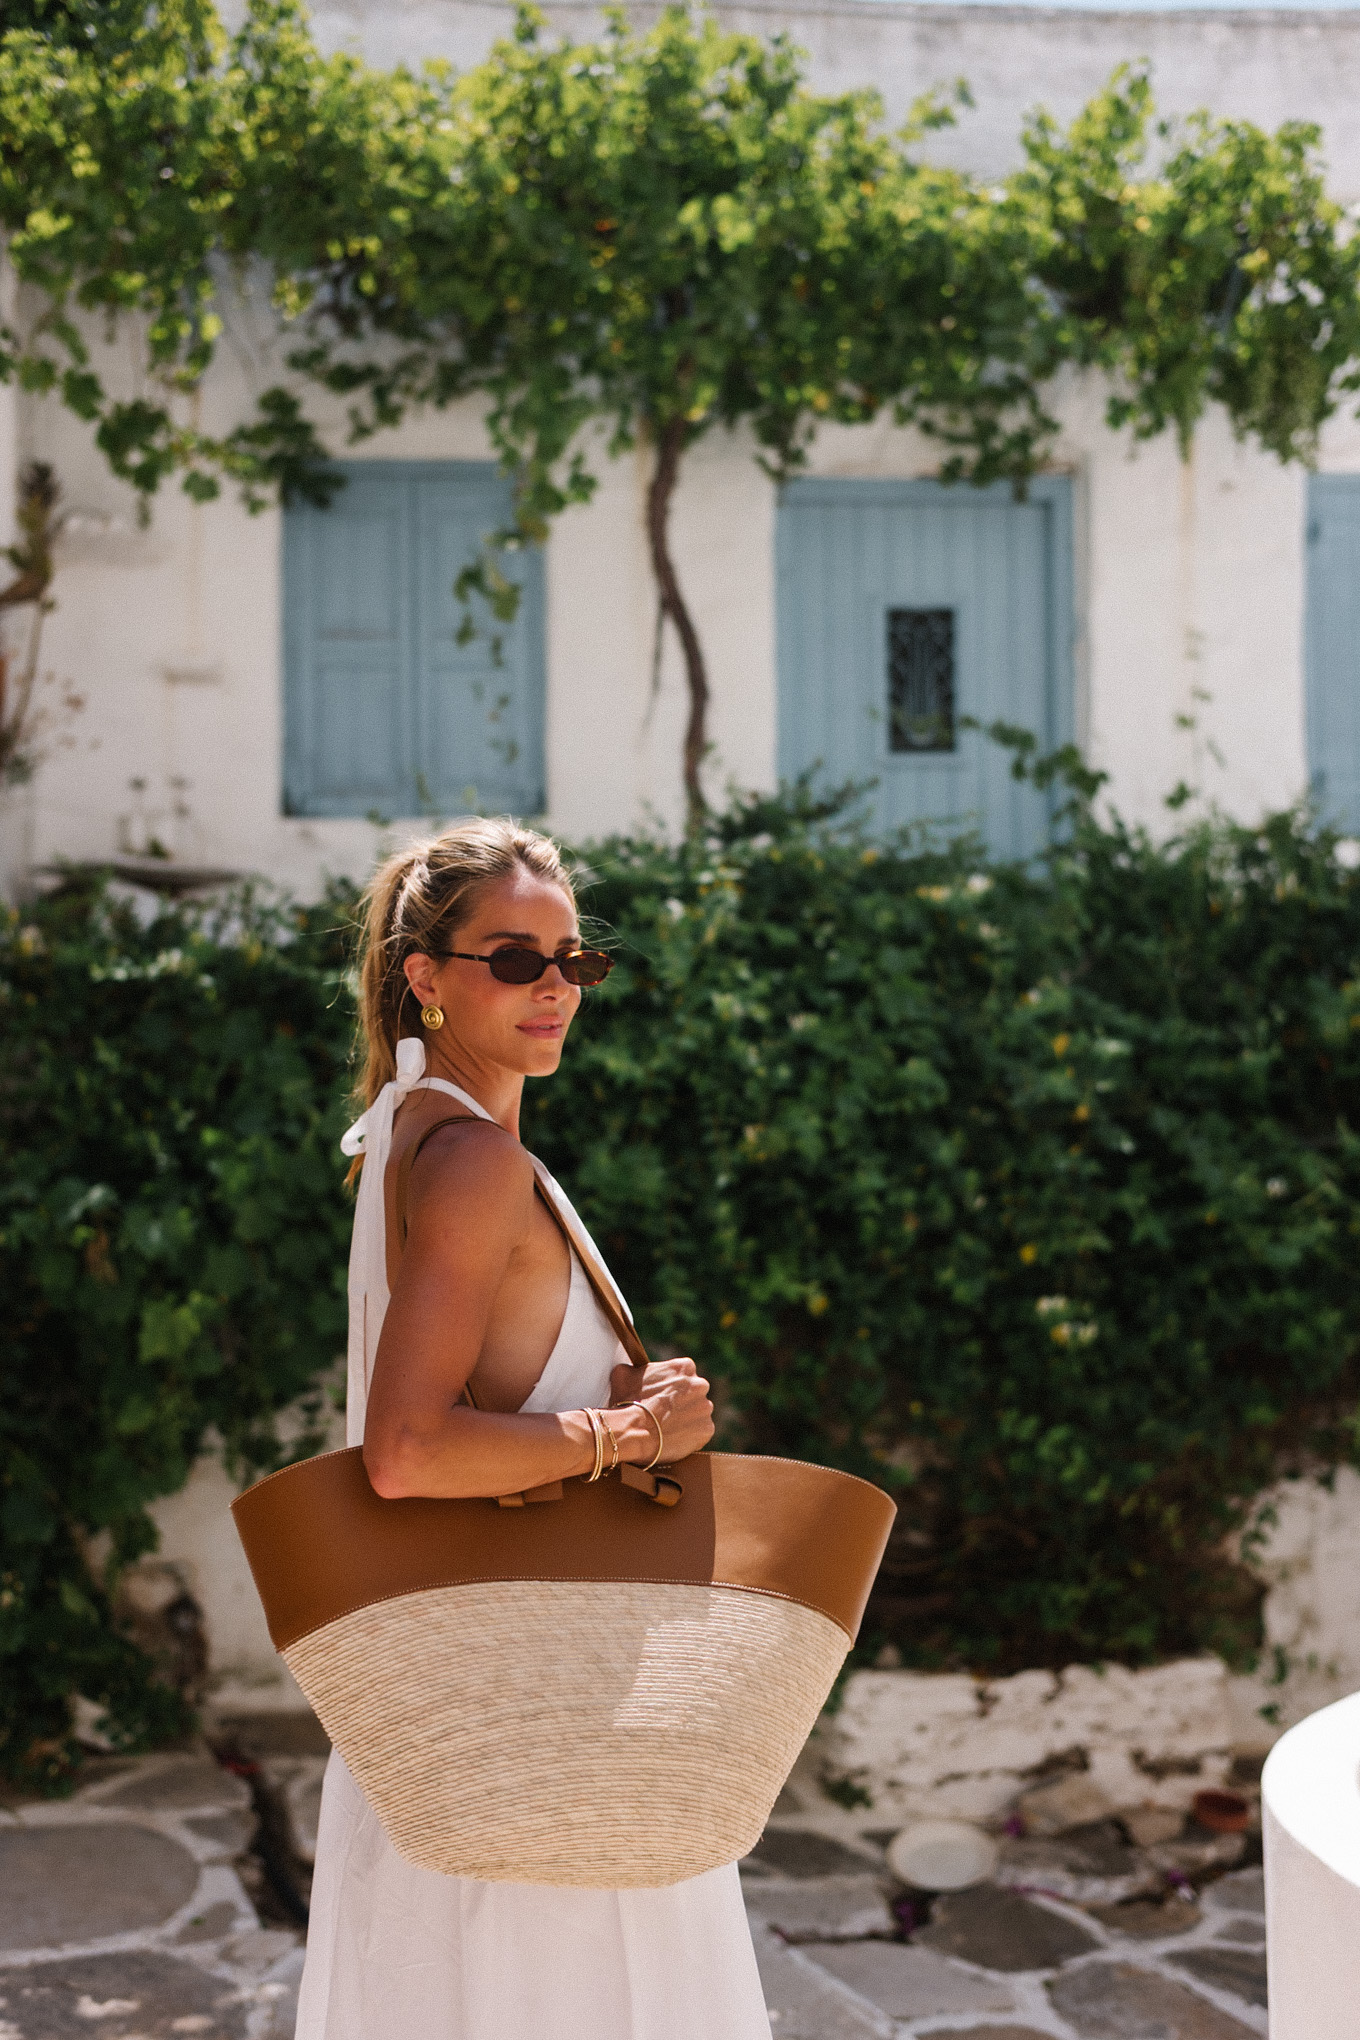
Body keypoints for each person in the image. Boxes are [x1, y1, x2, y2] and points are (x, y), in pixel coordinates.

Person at [294, 816, 773, 2040]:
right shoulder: (474, 1161)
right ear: (425, 976)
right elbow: (408, 1450)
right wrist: (631, 1438)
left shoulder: (411, 1134)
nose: (555, 987)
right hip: (545, 1703)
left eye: (575, 960)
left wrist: (613, 1408)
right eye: (514, 959)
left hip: (457, 1699)